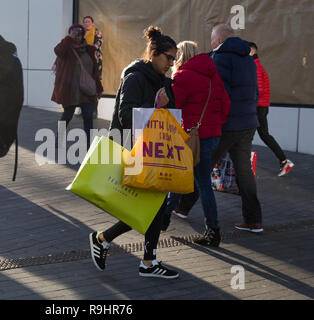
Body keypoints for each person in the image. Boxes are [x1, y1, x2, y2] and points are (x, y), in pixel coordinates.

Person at [89, 26, 180, 279]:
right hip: (133, 151)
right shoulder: (135, 77)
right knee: (148, 207)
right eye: (168, 58)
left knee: (154, 207)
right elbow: (125, 116)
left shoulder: (163, 80)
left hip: (154, 151)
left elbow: (166, 115)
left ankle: (145, 261)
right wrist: (156, 105)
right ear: (153, 53)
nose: (172, 63)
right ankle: (108, 241)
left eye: (174, 59)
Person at [169, 41, 230, 246]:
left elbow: (173, 106)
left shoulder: (182, 76)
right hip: (212, 135)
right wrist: (214, 125)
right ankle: (164, 217)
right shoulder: (213, 76)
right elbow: (225, 105)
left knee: (199, 182)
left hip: (193, 137)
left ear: (180, 56)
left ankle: (212, 230)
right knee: (192, 178)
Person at [209, 24, 263, 233]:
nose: (211, 44)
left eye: (212, 41)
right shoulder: (249, 59)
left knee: (203, 164)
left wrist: (217, 120)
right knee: (245, 171)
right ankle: (253, 220)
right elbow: (255, 92)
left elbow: (220, 95)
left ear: (219, 40)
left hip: (228, 124)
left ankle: (181, 207)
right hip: (248, 123)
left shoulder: (221, 57)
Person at [51, 24, 103, 148]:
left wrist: (98, 88)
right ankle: (59, 139)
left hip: (87, 91)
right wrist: (69, 38)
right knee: (67, 116)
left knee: (88, 117)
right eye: (74, 33)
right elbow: (57, 50)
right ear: (70, 35)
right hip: (70, 91)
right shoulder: (66, 50)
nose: (77, 36)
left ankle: (89, 144)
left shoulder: (89, 50)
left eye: (80, 33)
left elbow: (94, 71)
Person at [249, 41, 294, 177]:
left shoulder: (255, 67)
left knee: (248, 136)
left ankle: (245, 166)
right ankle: (284, 161)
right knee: (263, 135)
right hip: (260, 106)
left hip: (258, 107)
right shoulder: (257, 66)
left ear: (251, 52)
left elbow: (258, 90)